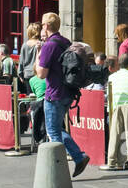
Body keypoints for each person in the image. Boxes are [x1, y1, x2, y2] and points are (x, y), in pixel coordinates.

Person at [34, 11, 90, 178]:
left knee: (52, 132)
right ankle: (78, 157)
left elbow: (41, 74)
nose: (41, 28)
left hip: (54, 94)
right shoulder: (65, 41)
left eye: (42, 25)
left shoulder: (49, 45)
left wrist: (38, 54)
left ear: (46, 26)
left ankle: (61, 168)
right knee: (57, 129)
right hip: (68, 91)